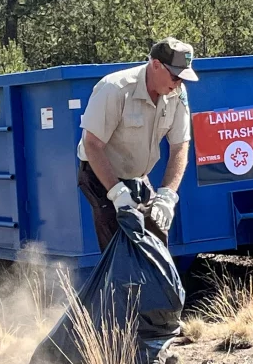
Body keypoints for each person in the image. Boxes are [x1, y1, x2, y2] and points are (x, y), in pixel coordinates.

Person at [77, 37, 198, 250]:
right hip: (100, 176)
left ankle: (155, 284)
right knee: (120, 245)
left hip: (138, 178)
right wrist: (117, 192)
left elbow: (180, 146)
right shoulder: (115, 88)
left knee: (156, 237)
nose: (178, 83)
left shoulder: (178, 94)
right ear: (156, 65)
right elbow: (92, 144)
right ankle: (120, 284)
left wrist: (168, 195)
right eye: (175, 76)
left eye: (183, 78)